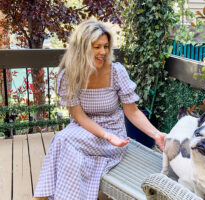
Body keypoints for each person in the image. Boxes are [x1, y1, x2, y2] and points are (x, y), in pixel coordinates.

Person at [33, 19, 166, 200]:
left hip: (113, 138)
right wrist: (105, 135)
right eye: (96, 47)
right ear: (82, 48)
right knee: (71, 155)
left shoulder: (116, 72)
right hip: (83, 132)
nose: (103, 52)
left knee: (62, 140)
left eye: (105, 46)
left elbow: (132, 111)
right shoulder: (69, 75)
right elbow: (79, 117)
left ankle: (40, 197)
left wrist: (156, 134)